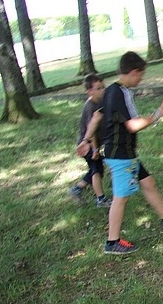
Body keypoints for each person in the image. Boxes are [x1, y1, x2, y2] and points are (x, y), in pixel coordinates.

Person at [99, 51, 163, 255]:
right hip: (120, 155)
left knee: (148, 182)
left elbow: (102, 116)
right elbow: (133, 125)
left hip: (126, 152)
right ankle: (112, 242)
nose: (141, 79)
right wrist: (160, 113)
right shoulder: (118, 93)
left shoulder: (114, 90)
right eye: (141, 75)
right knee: (121, 197)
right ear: (133, 72)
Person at [69, 74, 112, 207]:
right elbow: (91, 130)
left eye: (103, 87)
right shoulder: (90, 106)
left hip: (98, 143)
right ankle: (100, 199)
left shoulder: (101, 101)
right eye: (98, 88)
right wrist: (94, 149)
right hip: (87, 146)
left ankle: (77, 189)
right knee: (96, 170)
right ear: (89, 91)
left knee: (97, 168)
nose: (102, 90)